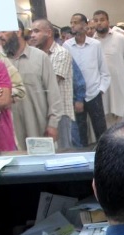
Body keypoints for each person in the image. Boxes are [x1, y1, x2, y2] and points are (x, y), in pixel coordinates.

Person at [0, 21, 63, 150]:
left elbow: (53, 93)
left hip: (38, 128)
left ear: (18, 32)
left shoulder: (40, 58)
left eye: (3, 31)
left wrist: (53, 124)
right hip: (10, 131)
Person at [64, 13, 110, 145]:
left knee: (100, 129)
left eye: (75, 22)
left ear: (84, 25)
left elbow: (103, 70)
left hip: (94, 93)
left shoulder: (95, 44)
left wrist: (101, 90)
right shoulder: (66, 46)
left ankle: (104, 152)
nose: (72, 25)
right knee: (80, 131)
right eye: (71, 23)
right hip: (76, 96)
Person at [30, 19, 76, 149]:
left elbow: (51, 83)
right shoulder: (35, 55)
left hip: (60, 114)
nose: (32, 35)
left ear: (49, 33)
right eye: (31, 31)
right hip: (41, 113)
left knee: (63, 153)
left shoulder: (61, 53)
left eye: (36, 31)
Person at [92, 10, 124, 127]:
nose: (99, 23)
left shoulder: (121, 39)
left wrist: (123, 82)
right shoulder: (92, 42)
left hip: (121, 93)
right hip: (103, 94)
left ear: (108, 21)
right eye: (96, 20)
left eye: (102, 20)